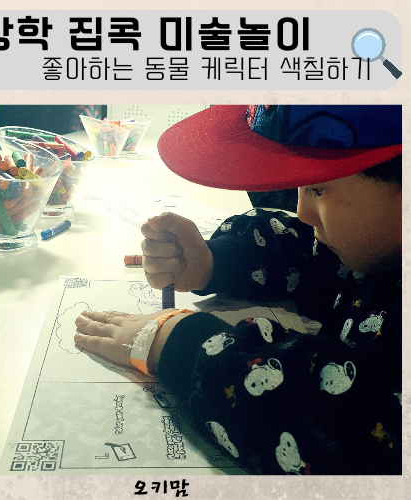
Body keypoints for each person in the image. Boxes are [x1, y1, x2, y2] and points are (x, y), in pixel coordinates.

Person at [74, 105, 402, 474]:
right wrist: (217, 263)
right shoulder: (381, 251)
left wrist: (185, 347)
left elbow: (353, 437)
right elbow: (310, 255)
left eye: (319, 189)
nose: (303, 213)